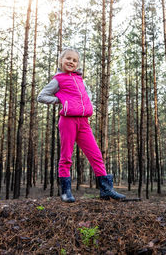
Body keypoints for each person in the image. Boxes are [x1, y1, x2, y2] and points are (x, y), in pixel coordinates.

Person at [37, 48, 125, 203]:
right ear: (61, 61)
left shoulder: (80, 80)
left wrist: (86, 103)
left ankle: (106, 189)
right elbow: (41, 96)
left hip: (83, 122)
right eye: (68, 59)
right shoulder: (58, 80)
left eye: (74, 60)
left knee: (96, 155)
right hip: (68, 121)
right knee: (66, 157)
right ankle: (66, 192)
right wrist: (61, 101)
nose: (71, 62)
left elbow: (87, 95)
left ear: (78, 64)